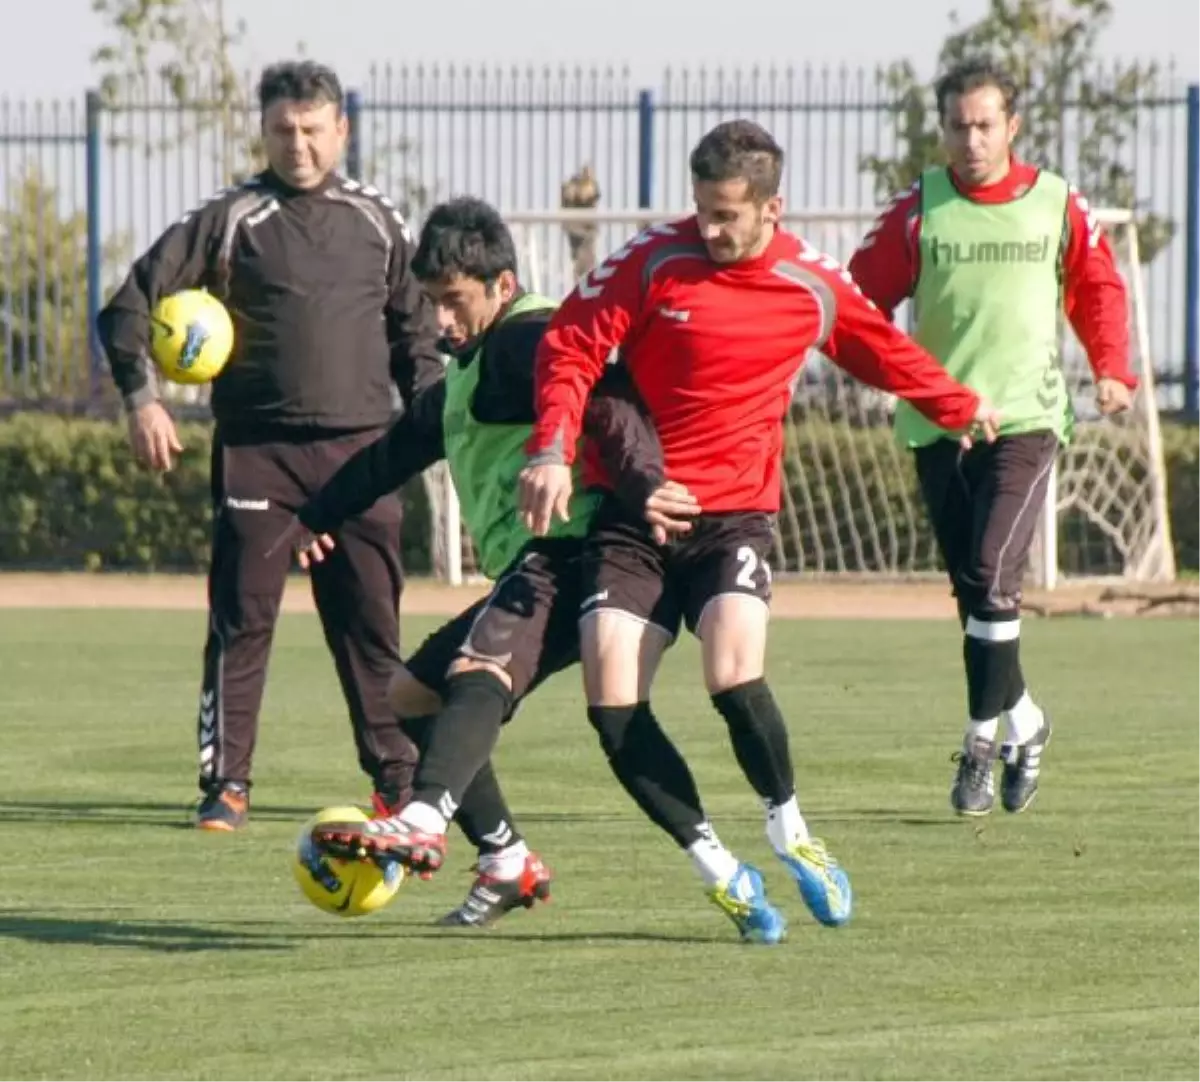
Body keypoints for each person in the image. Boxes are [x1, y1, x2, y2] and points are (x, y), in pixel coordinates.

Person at [515, 119, 999, 935]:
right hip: (634, 518)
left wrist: (957, 405)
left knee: (732, 669)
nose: (707, 228)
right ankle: (721, 868)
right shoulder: (650, 261)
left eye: (726, 215)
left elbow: (878, 348)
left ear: (774, 207)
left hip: (733, 515)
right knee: (610, 701)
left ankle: (791, 832)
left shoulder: (809, 282)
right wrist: (553, 448)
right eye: (700, 209)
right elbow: (568, 346)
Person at [283, 196, 700, 926]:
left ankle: (422, 818)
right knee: (412, 696)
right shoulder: (470, 374)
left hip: (580, 552)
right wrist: (318, 513)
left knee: (478, 674)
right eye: (431, 304)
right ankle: (507, 861)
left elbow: (604, 399)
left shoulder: (525, 339)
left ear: (502, 287)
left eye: (453, 302)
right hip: (537, 561)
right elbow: (395, 451)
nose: (439, 321)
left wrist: (643, 482)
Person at [96, 60, 444, 831]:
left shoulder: (380, 221)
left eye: (313, 129)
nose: (298, 145)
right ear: (264, 130)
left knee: (371, 629)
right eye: (283, 129)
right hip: (259, 454)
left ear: (340, 130)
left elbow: (418, 337)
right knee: (241, 622)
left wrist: (430, 425)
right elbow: (126, 305)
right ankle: (226, 785)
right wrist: (141, 398)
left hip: (363, 459)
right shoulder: (229, 218)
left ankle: (398, 781)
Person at [847, 58, 1136, 818]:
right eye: (957, 126)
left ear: (1012, 126)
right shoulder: (919, 209)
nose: (971, 140)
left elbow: (1099, 287)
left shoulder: (1055, 202)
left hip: (1027, 418)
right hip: (936, 423)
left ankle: (980, 742)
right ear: (942, 130)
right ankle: (1028, 722)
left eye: (984, 124)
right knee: (975, 593)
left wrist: (1112, 370)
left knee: (989, 572)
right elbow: (857, 300)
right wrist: (879, 367)